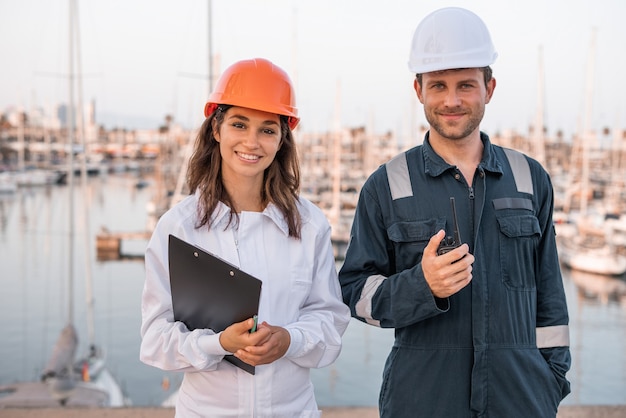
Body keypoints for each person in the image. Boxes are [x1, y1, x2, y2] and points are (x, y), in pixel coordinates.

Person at [339, 7, 571, 417]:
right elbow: (354, 293)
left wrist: (549, 380)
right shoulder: (386, 184)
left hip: (521, 401)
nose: (451, 100)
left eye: (465, 85)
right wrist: (421, 286)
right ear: (418, 90)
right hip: (421, 401)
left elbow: (550, 296)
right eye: (438, 85)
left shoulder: (529, 178)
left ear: (489, 88)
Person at [140, 57, 351, 417]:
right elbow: (156, 341)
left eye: (268, 129)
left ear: (283, 138)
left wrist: (289, 340)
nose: (252, 142)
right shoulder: (178, 228)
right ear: (217, 129)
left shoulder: (310, 225)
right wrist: (218, 343)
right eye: (240, 124)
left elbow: (330, 323)